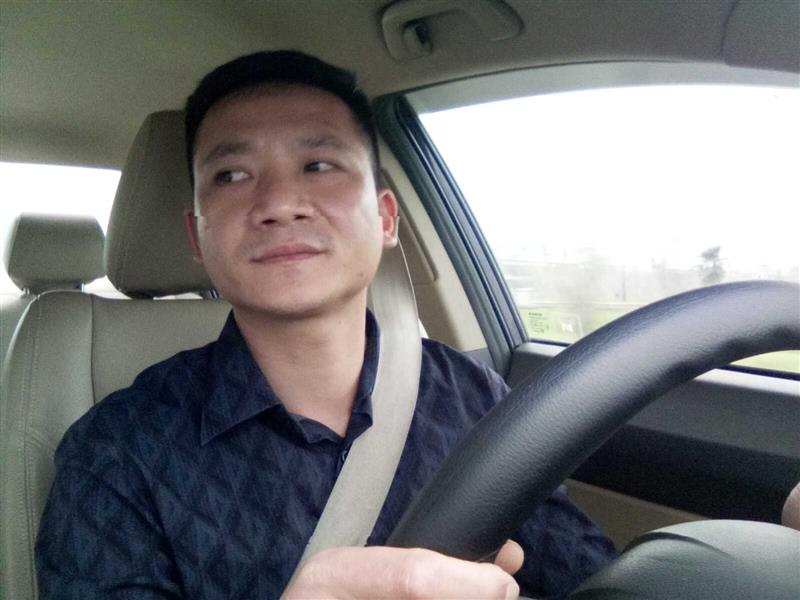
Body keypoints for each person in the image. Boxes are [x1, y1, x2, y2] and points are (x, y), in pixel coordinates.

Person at [35, 51, 616, 599]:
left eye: (318, 165)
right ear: (196, 236)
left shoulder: (475, 400)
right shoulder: (118, 451)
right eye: (231, 175)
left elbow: (595, 580)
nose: (278, 203)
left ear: (385, 219)